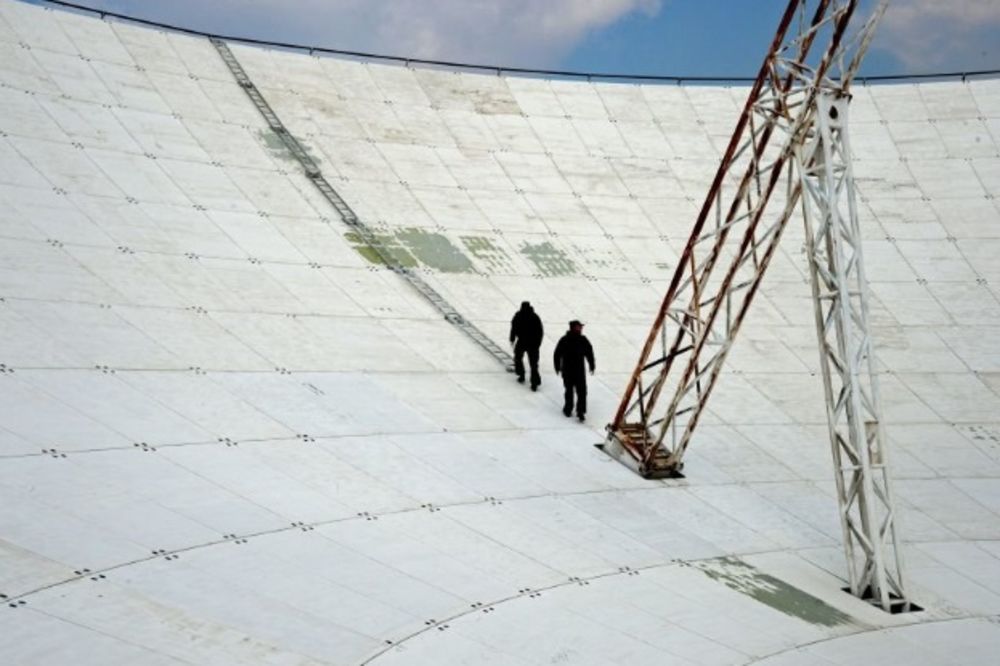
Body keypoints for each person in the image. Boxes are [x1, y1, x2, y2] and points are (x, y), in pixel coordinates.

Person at [553, 320, 595, 421]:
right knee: (569, 391)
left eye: (581, 327)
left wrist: (592, 365)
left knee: (582, 392)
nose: (581, 328)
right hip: (567, 370)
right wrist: (557, 366)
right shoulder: (565, 339)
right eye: (579, 327)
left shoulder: (583, 340)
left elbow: (589, 353)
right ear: (572, 327)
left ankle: (580, 411)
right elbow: (557, 354)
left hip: (579, 371)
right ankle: (568, 409)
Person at [509, 301, 543, 391]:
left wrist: (512, 338)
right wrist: (538, 343)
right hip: (531, 343)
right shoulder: (534, 316)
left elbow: (513, 327)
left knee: (519, 358)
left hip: (526, 342)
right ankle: (534, 382)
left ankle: (522, 374)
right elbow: (540, 331)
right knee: (533, 364)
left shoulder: (519, 315)